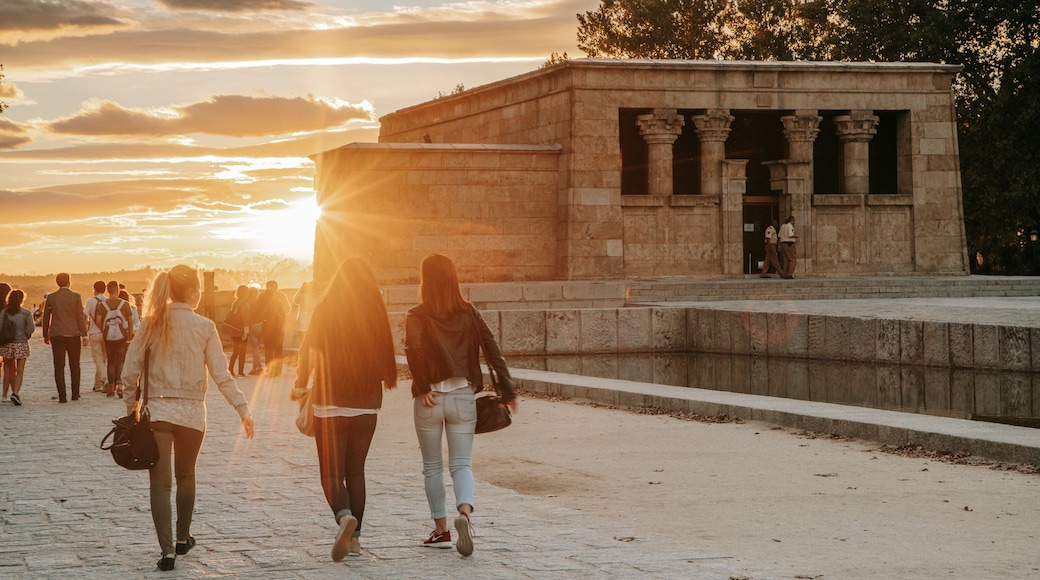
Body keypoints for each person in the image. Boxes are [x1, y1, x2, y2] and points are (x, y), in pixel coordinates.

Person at [120, 264, 255, 572]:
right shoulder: (205, 326)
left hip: (158, 412)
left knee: (160, 484)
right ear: (194, 292)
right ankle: (183, 537)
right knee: (187, 476)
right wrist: (243, 409)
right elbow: (222, 375)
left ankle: (167, 552)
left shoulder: (152, 323)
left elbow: (130, 371)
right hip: (193, 413)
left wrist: (131, 408)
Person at [404, 253, 518, 557]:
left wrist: (424, 385)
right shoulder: (469, 312)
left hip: (430, 399)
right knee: (462, 464)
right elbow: (493, 350)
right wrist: (508, 391)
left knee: (431, 467)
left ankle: (441, 531)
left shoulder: (417, 314)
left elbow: (412, 349)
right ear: (454, 279)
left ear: (425, 280)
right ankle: (465, 515)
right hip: (464, 396)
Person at [292, 258, 398, 562]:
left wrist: (300, 386)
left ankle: (343, 517)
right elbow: (384, 359)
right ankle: (356, 541)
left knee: (331, 473)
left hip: (329, 402)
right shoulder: (376, 313)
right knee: (356, 472)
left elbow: (308, 351)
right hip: (366, 406)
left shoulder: (325, 310)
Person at [41, 273, 88, 403]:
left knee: (59, 365)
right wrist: (84, 334)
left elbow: (46, 318)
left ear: (57, 283)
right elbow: (80, 316)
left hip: (57, 334)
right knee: (75, 365)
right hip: (73, 334)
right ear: (69, 282)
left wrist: (45, 334)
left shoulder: (51, 297)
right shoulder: (76, 297)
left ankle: (62, 396)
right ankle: (75, 394)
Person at [95, 281, 134, 397]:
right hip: (122, 336)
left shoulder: (102, 305)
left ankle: (111, 387)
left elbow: (98, 321)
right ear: (117, 290)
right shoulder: (125, 304)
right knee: (121, 361)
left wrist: (104, 330)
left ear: (107, 290)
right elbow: (130, 322)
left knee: (110, 362)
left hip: (108, 337)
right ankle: (120, 386)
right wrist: (129, 335)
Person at [1, 289, 34, 406]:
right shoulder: (26, 313)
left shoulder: (5, 313)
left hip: (8, 344)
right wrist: (26, 335)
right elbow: (31, 328)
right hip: (21, 343)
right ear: (21, 299)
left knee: (8, 370)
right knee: (20, 371)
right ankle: (15, 393)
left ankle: (4, 394)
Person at [257, 280, 291, 377]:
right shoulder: (281, 296)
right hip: (279, 325)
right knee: (278, 348)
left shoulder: (262, 296)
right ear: (277, 287)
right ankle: (278, 369)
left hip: (266, 325)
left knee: (268, 348)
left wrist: (263, 318)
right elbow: (288, 309)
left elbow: (257, 310)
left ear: (266, 286)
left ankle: (269, 369)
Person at [85, 280, 108, 393]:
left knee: (98, 359)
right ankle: (97, 384)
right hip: (107, 333)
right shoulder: (107, 301)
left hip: (94, 332)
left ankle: (105, 380)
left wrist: (84, 333)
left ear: (95, 289)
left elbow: (85, 316)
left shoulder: (90, 301)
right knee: (103, 359)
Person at [226, 285, 250, 377]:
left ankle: (231, 369)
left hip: (234, 330)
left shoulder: (235, 302)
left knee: (235, 351)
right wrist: (246, 331)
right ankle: (240, 371)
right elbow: (245, 318)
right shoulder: (243, 303)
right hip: (241, 330)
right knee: (242, 352)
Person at [292, 279, 322, 347]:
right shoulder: (319, 297)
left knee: (303, 342)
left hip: (303, 319)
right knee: (313, 342)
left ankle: (304, 355)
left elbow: (295, 301)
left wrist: (301, 289)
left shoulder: (303, 296)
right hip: (314, 320)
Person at [245, 287, 264, 375]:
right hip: (260, 326)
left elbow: (247, 317)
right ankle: (254, 368)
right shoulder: (260, 303)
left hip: (252, 326)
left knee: (254, 349)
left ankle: (259, 367)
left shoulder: (248, 304)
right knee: (256, 348)